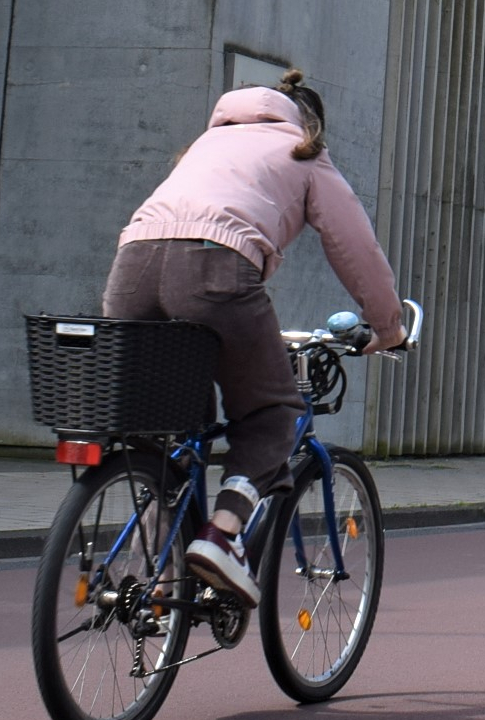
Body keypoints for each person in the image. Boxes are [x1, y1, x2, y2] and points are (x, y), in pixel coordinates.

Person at [105, 71, 405, 606]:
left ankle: (160, 579)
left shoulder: (208, 142)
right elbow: (354, 243)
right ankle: (222, 534)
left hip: (130, 270)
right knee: (272, 415)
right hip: (212, 271)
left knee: (171, 434)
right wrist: (386, 325)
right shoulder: (303, 148)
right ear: (310, 122)